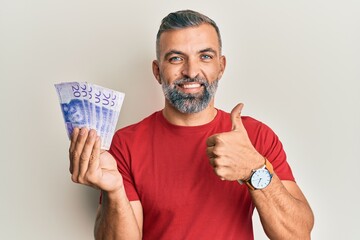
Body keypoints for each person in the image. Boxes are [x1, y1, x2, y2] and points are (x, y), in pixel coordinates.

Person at [69, 9, 314, 239]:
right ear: (157, 71)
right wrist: (114, 192)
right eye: (176, 58)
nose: (191, 70)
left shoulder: (255, 136)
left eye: (205, 56)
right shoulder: (126, 144)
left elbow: (298, 234)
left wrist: (255, 170)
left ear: (221, 66)